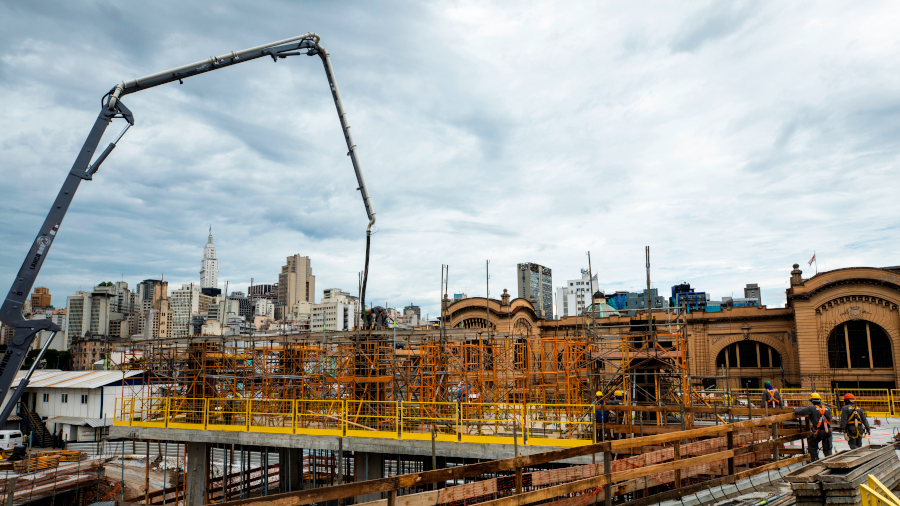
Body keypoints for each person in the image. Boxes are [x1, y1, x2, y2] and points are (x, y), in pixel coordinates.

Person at [793, 393, 832, 460]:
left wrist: (794, 410)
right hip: (828, 430)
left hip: (818, 431)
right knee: (827, 447)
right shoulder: (827, 408)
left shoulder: (811, 408)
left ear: (812, 401)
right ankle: (829, 460)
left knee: (812, 444)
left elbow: (800, 412)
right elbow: (830, 418)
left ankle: (815, 459)